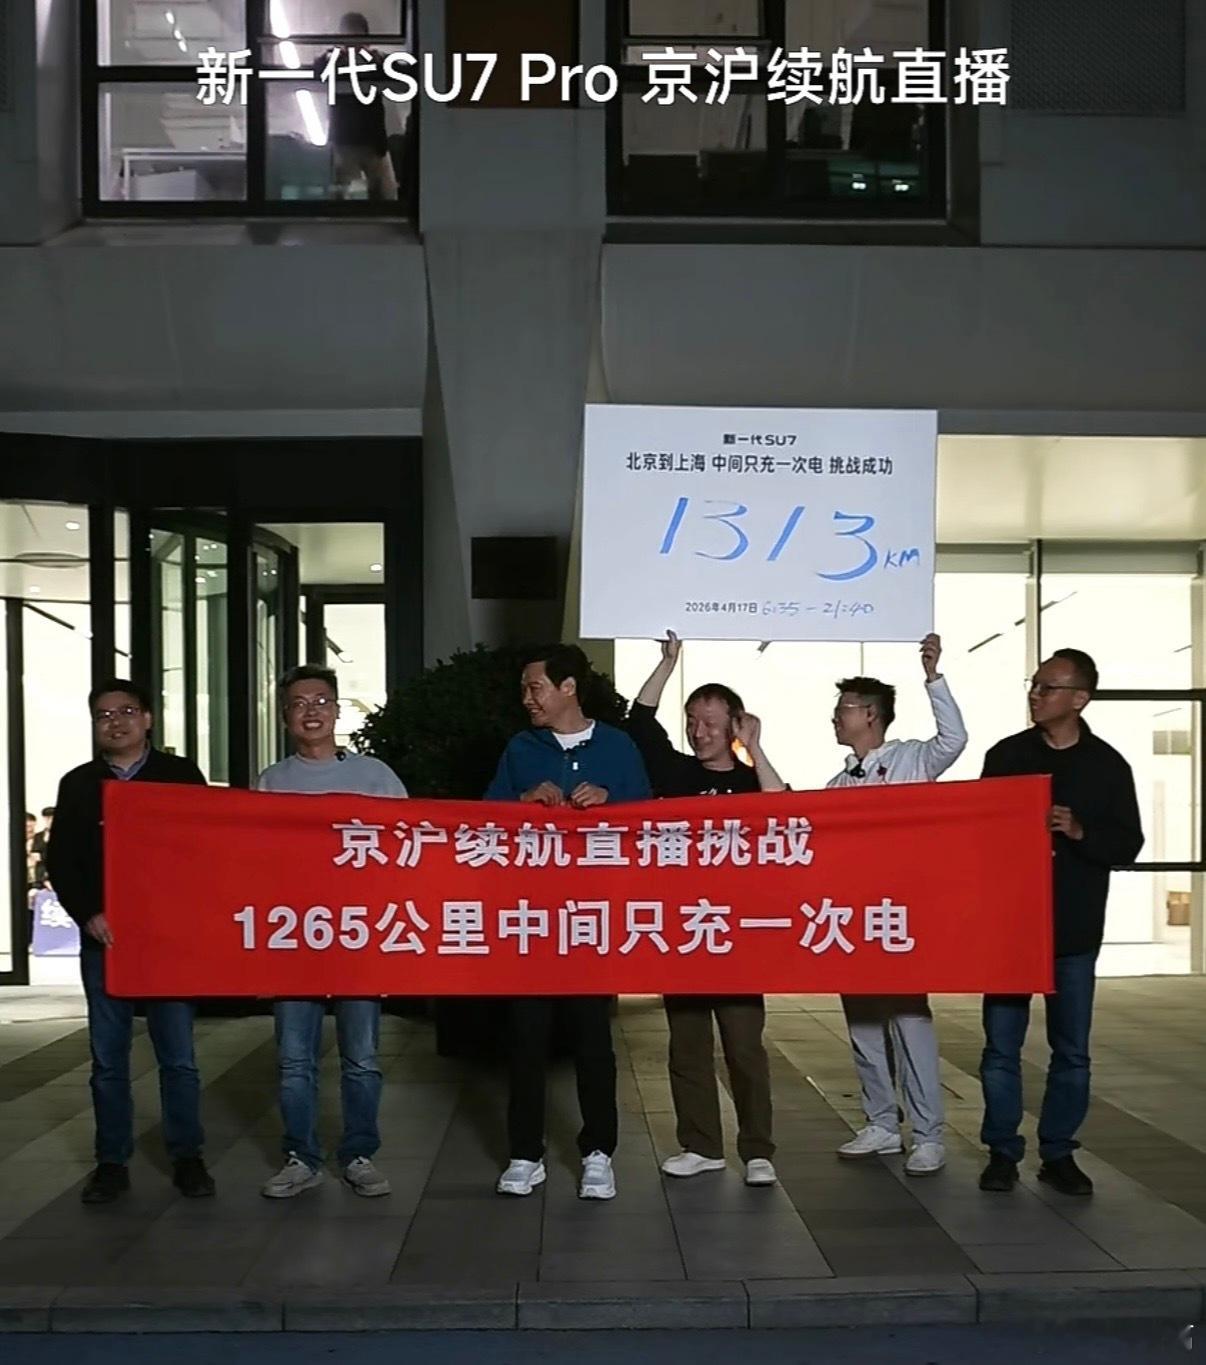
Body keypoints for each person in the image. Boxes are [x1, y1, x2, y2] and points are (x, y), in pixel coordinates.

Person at [485, 644, 651, 1201]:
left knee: (592, 1041)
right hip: (532, 919)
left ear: (568, 688)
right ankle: (524, 1154)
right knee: (526, 1039)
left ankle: (598, 1152)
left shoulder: (618, 747)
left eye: (535, 687)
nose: (526, 699)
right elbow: (483, 822)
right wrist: (522, 801)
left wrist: (612, 801)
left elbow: (650, 821)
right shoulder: (520, 748)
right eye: (525, 689)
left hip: (591, 919)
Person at [978, 648, 1143, 1197]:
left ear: (1079, 698)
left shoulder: (1107, 766)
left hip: (1073, 930)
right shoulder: (1006, 756)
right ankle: (1001, 1152)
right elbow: (978, 837)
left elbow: (1128, 844)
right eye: (1034, 684)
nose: (1036, 694)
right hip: (1011, 928)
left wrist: (1079, 833)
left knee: (1071, 1052)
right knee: (1000, 1050)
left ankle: (1058, 1153)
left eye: (1048, 687)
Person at [45, 680, 213, 1204]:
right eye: (103, 715)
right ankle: (111, 1162)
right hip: (106, 939)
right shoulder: (79, 784)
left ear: (148, 719)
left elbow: (204, 849)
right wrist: (87, 914)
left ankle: (188, 1157)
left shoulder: (180, 776)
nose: (115, 722)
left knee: (178, 1056)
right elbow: (62, 861)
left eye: (126, 711)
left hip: (167, 940)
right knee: (108, 1060)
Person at [628, 630, 784, 1188]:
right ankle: (701, 1145)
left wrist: (755, 748)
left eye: (712, 723)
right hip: (684, 929)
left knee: (743, 1047)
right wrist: (667, 664)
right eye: (693, 721)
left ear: (735, 725)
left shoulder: (749, 780)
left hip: (737, 934)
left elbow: (784, 812)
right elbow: (639, 723)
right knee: (688, 1046)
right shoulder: (675, 774)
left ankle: (758, 1149)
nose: (699, 731)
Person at [257, 664, 407, 1200]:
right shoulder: (272, 782)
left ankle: (359, 1153)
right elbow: (253, 862)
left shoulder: (375, 776)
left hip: (358, 938)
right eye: (299, 703)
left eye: (321, 700)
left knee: (361, 1058)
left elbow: (408, 846)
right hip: (293, 938)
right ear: (285, 716)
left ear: (338, 710)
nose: (311, 711)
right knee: (294, 1060)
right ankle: (301, 1157)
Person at [826, 634, 967, 1176]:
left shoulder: (912, 758)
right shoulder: (839, 782)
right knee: (863, 1023)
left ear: (871, 715)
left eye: (844, 709)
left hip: (904, 913)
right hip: (854, 916)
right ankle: (882, 1122)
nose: (836, 717)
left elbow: (954, 739)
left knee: (910, 1021)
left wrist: (934, 677)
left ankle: (928, 1133)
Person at [314, 12, 398, 201]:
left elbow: (400, 70)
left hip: (365, 140)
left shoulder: (371, 60)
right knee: (377, 194)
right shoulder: (340, 60)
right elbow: (318, 69)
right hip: (357, 140)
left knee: (380, 193)